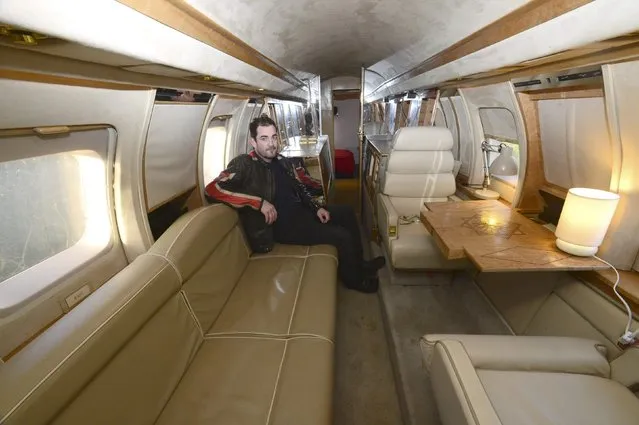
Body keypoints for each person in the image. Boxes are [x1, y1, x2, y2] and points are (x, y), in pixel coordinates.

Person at [205, 114, 384, 293]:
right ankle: (355, 280)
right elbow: (213, 188)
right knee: (341, 236)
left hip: (302, 213)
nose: (271, 143)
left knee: (346, 212)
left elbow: (299, 187)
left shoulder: (281, 161)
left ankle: (362, 264)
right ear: (253, 142)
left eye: (274, 137)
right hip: (283, 227)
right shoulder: (244, 164)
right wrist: (258, 202)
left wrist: (316, 207)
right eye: (264, 138)